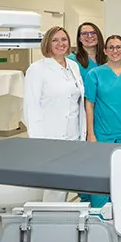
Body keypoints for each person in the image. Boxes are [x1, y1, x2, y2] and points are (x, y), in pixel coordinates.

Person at [23, 26, 85, 201]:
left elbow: (76, 100)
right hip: (50, 136)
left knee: (66, 182)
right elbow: (31, 107)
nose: (60, 43)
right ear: (47, 43)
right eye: (55, 40)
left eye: (64, 39)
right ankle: (48, 222)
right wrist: (39, 142)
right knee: (53, 187)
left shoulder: (73, 66)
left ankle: (61, 218)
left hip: (73, 135)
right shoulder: (37, 69)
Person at [80, 34, 121, 208]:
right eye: (111, 47)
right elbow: (89, 104)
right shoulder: (95, 74)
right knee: (102, 174)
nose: (115, 51)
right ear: (104, 51)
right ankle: (99, 213)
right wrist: (90, 133)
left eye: (118, 47)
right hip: (102, 132)